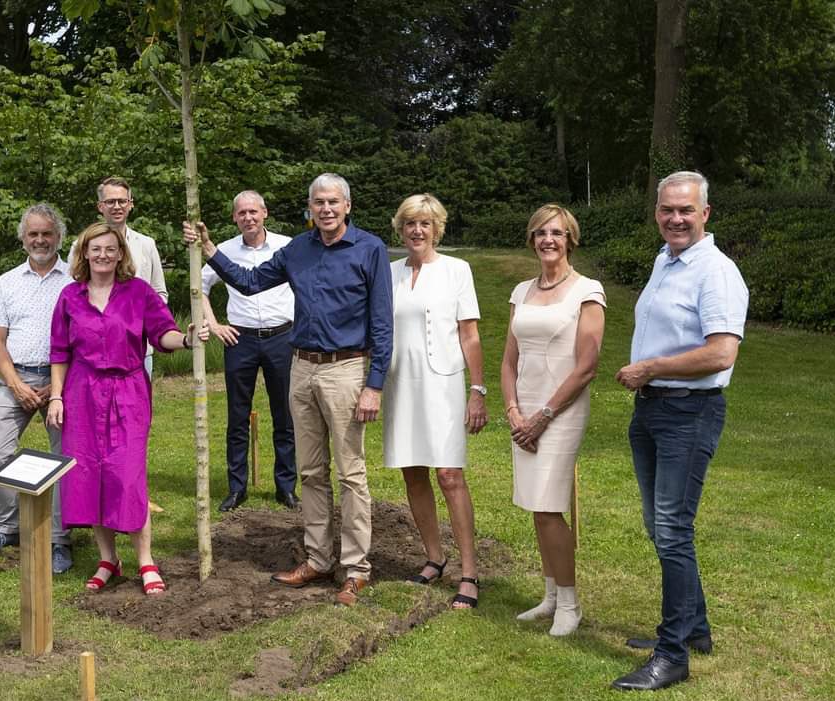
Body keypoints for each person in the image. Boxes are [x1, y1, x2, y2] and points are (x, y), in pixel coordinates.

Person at [185, 172, 393, 607]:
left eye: (334, 202)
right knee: (311, 471)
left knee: (350, 473)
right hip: (302, 367)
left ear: (347, 206)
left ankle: (355, 569)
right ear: (310, 207)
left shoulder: (369, 249)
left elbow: (382, 323)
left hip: (346, 369)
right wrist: (210, 250)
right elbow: (250, 281)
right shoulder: (297, 249)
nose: (327, 209)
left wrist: (374, 385)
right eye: (319, 202)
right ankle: (318, 558)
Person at [611, 171, 748, 691]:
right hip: (651, 413)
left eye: (686, 210)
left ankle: (672, 655)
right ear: (656, 213)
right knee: (660, 527)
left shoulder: (716, 272)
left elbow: (721, 352)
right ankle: (695, 628)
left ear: (705, 213)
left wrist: (650, 369)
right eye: (667, 209)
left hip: (689, 413)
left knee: (671, 529)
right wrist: (649, 380)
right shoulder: (665, 261)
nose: (675, 218)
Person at [47, 222, 194, 595]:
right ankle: (107, 558)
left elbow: (163, 334)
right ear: (83, 253)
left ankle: (145, 560)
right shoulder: (69, 297)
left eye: (110, 249)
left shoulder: (138, 293)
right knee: (90, 476)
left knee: (126, 475)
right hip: (81, 395)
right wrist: (57, 396)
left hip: (127, 392)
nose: (103, 255)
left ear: (120, 254)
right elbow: (60, 351)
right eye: (95, 249)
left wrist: (187, 339)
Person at [500, 204, 606, 637]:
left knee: (548, 506)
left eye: (557, 233)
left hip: (560, 410)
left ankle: (571, 602)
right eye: (541, 232)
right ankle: (550, 595)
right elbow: (509, 361)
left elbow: (587, 366)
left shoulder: (588, 291)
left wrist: (542, 416)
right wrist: (513, 411)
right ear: (532, 239)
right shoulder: (521, 291)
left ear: (570, 239)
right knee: (535, 506)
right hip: (523, 411)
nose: (549, 240)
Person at [383, 194, 487, 609]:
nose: (417, 230)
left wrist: (477, 390)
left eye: (425, 223)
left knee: (449, 475)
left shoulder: (457, 270)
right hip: (399, 381)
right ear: (400, 228)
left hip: (443, 382)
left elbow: (470, 335)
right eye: (410, 223)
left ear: (437, 228)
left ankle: (469, 571)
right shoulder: (387, 273)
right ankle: (433, 556)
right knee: (412, 472)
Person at [0, 203, 75, 575]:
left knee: (64, 458)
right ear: (23, 238)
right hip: (16, 379)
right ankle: (10, 528)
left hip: (63, 380)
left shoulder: (75, 279)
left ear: (59, 237)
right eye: (33, 234)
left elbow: (83, 338)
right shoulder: (7, 282)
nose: (40, 240)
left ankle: (59, 540)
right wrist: (15, 384)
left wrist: (56, 387)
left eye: (47, 233)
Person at [201, 190, 298, 512]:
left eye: (253, 212)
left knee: (285, 415)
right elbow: (198, 287)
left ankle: (286, 487)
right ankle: (236, 488)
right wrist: (215, 325)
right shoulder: (224, 251)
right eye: (242, 213)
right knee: (237, 416)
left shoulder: (288, 247)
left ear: (265, 213)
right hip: (239, 340)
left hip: (281, 338)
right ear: (234, 217)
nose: (248, 218)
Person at [71, 176, 169, 378]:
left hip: (138, 349)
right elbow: (73, 299)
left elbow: (159, 292)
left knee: (136, 406)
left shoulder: (146, 244)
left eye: (122, 201)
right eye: (110, 202)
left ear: (130, 204)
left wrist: (144, 320)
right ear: (100, 206)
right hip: (93, 353)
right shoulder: (80, 245)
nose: (117, 206)